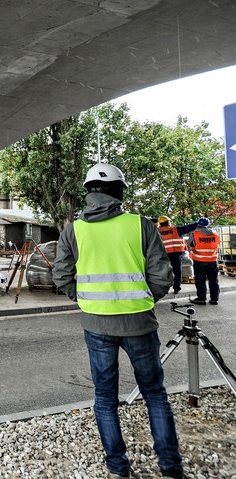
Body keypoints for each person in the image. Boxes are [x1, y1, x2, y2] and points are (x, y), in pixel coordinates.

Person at [53, 163, 185, 479]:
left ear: (89, 192)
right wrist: (144, 300)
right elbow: (162, 275)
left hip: (97, 327)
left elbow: (61, 274)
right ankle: (170, 467)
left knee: (105, 399)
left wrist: (85, 300)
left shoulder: (73, 230)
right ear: (119, 192)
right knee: (154, 394)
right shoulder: (141, 226)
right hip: (140, 323)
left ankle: (118, 468)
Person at [157, 216, 197, 294]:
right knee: (177, 271)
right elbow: (188, 228)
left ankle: (165, 288)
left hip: (165, 255)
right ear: (168, 222)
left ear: (160, 224)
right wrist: (197, 223)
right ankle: (176, 288)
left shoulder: (157, 232)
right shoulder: (176, 229)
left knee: (165, 272)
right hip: (177, 254)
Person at [188, 217, 220, 305]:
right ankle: (214, 299)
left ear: (198, 224)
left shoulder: (194, 234)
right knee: (213, 280)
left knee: (200, 280)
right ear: (208, 225)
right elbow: (217, 245)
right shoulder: (215, 234)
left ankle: (201, 298)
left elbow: (189, 246)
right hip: (213, 261)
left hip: (199, 261)